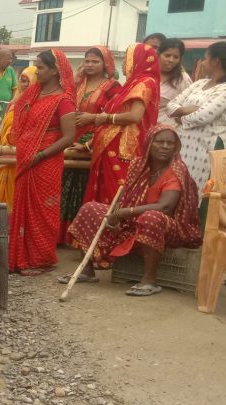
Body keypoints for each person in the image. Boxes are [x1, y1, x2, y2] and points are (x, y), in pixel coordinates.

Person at [63, 125, 200, 296]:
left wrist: (125, 213)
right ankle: (86, 270)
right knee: (90, 208)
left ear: (176, 147)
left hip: (168, 227)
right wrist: (117, 213)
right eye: (160, 142)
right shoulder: (137, 165)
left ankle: (149, 280)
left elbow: (165, 207)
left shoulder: (176, 169)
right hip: (134, 219)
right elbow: (127, 197)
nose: (165, 146)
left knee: (151, 217)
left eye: (170, 143)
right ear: (149, 143)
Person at [7, 49, 77, 275]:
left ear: (56, 70)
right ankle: (19, 256)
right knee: (22, 207)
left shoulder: (63, 100)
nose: (37, 71)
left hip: (46, 162)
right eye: (36, 67)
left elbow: (68, 137)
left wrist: (41, 155)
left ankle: (41, 259)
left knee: (42, 210)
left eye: (41, 67)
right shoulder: (33, 95)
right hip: (27, 158)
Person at [82, 43, 161, 205]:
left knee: (117, 198)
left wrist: (105, 118)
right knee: (106, 196)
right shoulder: (133, 82)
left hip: (125, 150)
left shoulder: (144, 83)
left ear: (138, 60)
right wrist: (88, 145)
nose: (125, 63)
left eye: (128, 59)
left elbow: (135, 116)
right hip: (112, 146)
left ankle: (117, 230)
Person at [66, 46, 121, 242]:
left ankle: (82, 237)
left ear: (105, 63)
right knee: (65, 187)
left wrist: (90, 136)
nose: (89, 65)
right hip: (70, 140)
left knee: (84, 188)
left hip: (95, 142)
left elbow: (114, 118)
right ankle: (64, 236)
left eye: (95, 61)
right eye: (87, 61)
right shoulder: (78, 84)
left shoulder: (113, 87)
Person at [167, 41, 226, 188]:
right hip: (183, 148)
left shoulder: (224, 89)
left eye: (205, 58)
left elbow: (204, 115)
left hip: (205, 151)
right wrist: (194, 109)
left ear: (216, 61)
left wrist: (180, 116)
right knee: (177, 187)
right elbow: (170, 106)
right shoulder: (199, 83)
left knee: (199, 191)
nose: (202, 63)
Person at [0, 66, 38, 208]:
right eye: (22, 81)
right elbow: (3, 128)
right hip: (5, 154)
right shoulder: (13, 103)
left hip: (22, 157)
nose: (25, 85)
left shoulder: (36, 106)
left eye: (28, 81)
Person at [157, 39, 193, 124]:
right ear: (158, 54)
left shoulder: (183, 79)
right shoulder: (147, 74)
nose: (171, 60)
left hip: (167, 129)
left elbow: (189, 105)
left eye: (176, 57)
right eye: (167, 55)